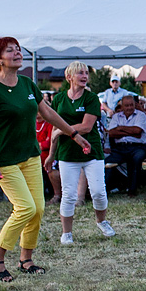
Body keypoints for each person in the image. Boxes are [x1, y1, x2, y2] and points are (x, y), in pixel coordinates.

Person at [0, 37, 92, 280]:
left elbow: (48, 113)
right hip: (4, 160)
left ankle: (26, 259)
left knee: (38, 209)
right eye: (10, 50)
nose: (18, 53)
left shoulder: (27, 84)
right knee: (25, 208)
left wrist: (74, 134)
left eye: (18, 49)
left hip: (30, 157)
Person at [49, 61, 115, 244]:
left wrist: (62, 130)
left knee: (98, 192)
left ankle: (102, 221)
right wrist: (51, 155)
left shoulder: (91, 98)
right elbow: (54, 129)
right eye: (80, 73)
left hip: (91, 152)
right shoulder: (59, 99)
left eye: (86, 73)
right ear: (69, 76)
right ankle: (66, 233)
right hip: (67, 153)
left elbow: (86, 127)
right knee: (68, 194)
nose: (85, 76)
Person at [106, 94, 146, 196]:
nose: (129, 108)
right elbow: (111, 133)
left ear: (135, 105)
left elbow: (138, 131)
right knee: (106, 164)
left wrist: (120, 128)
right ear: (122, 106)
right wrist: (131, 131)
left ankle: (132, 190)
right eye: (126, 105)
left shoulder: (141, 115)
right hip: (120, 148)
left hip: (137, 147)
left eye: (131, 105)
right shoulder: (116, 116)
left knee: (137, 159)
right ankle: (105, 189)